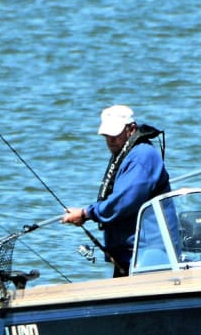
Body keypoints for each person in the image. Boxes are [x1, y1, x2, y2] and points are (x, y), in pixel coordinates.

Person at [62, 105, 171, 277]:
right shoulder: (126, 153)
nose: (111, 140)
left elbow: (123, 201)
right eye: (107, 136)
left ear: (131, 129)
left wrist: (85, 213)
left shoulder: (142, 155)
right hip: (127, 253)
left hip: (147, 252)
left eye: (115, 135)